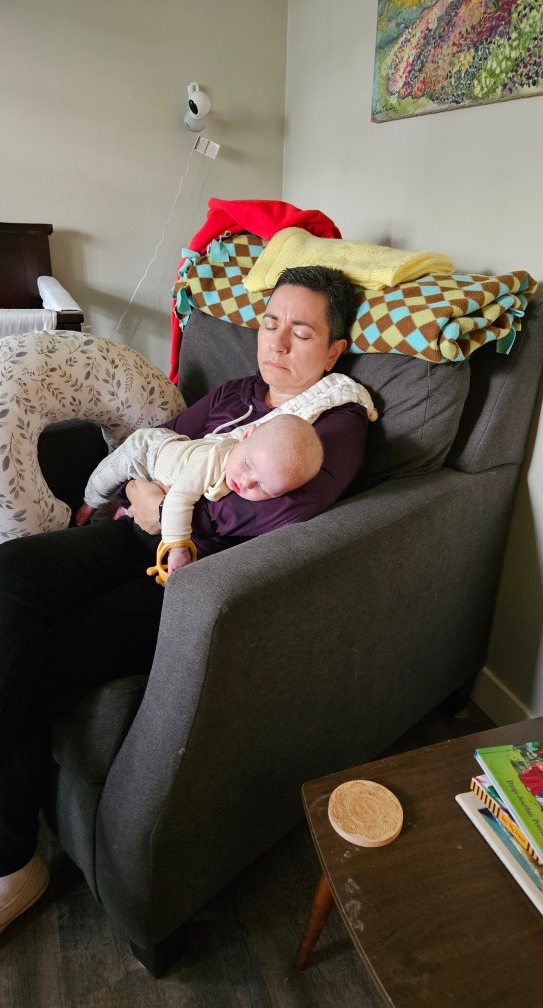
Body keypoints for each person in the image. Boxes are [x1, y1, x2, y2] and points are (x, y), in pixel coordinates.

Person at [0, 264, 369, 932]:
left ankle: (10, 862)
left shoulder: (331, 426)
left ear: (334, 351)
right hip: (132, 528)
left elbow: (272, 518)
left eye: (301, 331)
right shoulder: (233, 392)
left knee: (42, 654)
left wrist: (168, 509)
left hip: (191, 574)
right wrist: (140, 495)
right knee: (10, 576)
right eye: (269, 324)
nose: (277, 344)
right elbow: (154, 446)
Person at [76, 414, 325, 577]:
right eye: (248, 465)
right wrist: (178, 548)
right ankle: (87, 507)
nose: (245, 483)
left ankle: (121, 511)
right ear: (245, 436)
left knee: (133, 499)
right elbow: (178, 500)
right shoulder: (212, 462)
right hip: (148, 450)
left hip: (175, 459)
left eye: (263, 488)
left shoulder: (253, 459)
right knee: (105, 478)